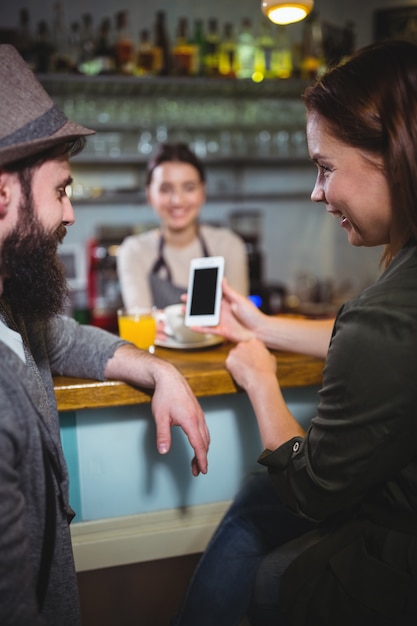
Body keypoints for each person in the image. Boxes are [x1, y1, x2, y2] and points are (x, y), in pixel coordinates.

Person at [172, 39, 417, 626]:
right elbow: (379, 344)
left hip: (393, 563)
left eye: (325, 167)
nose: (316, 191)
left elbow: (310, 491)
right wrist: (261, 324)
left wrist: (259, 378)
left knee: (261, 503)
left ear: (394, 153)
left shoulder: (382, 317)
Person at [0, 44, 210, 626]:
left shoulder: (11, 313)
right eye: (62, 190)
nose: (70, 215)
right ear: (2, 194)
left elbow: (61, 338)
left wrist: (159, 369)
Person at [117, 142, 249, 310]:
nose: (177, 200)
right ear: (149, 195)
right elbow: (141, 322)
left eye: (189, 188)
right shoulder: (134, 250)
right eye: (165, 189)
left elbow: (238, 318)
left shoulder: (228, 245)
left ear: (203, 192)